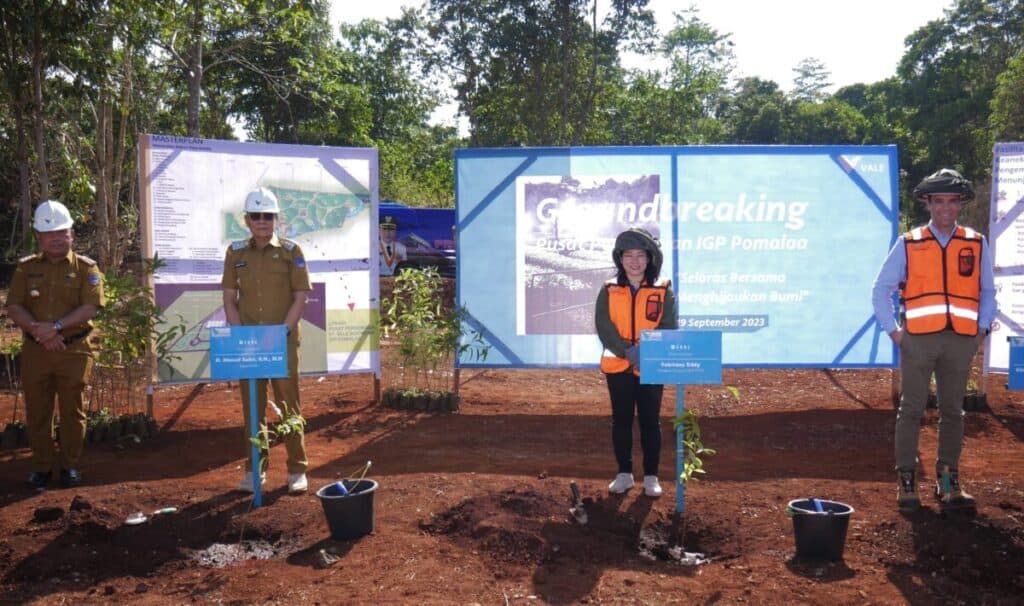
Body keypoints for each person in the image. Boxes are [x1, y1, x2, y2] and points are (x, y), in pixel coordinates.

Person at [872, 168, 996, 512]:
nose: (945, 208)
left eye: (952, 201)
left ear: (961, 204)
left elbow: (988, 291)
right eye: (938, 201)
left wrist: (981, 329)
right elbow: (880, 290)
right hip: (918, 341)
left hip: (961, 341)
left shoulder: (976, 242)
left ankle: (948, 481)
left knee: (953, 411)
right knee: (911, 410)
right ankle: (907, 479)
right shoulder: (909, 243)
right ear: (927, 203)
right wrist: (895, 333)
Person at [7, 200, 104, 489]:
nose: (56, 238)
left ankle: (70, 465)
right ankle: (42, 467)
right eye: (49, 234)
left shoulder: (87, 268)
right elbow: (14, 306)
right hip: (37, 350)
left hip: (74, 350)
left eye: (62, 232)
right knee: (38, 410)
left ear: (72, 233)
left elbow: (90, 307)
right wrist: (40, 331)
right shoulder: (26, 269)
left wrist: (57, 327)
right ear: (39, 237)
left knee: (73, 410)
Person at [222, 187, 312, 494]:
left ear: (276, 219)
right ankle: (255, 470)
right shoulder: (235, 253)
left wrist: (281, 333)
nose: (262, 221)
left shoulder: (291, 251)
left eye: (268, 216)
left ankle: (297, 469)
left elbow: (300, 297)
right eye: (256, 215)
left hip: (282, 342)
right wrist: (241, 337)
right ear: (247, 219)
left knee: (289, 406)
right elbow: (229, 298)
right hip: (249, 344)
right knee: (253, 407)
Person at [595, 228, 678, 497]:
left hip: (650, 364)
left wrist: (645, 351)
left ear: (650, 258)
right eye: (628, 255)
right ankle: (624, 474)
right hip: (618, 365)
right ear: (620, 259)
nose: (634, 261)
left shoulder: (663, 289)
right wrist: (626, 351)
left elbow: (668, 325)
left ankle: (651, 476)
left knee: (650, 421)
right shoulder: (609, 289)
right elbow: (603, 325)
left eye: (640, 255)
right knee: (621, 420)